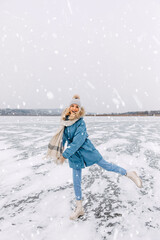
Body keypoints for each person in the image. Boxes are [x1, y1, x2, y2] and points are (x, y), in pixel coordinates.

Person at [46, 95, 142, 220]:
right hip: (74, 155)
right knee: (76, 181)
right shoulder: (65, 121)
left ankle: (129, 173)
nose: (74, 108)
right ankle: (79, 208)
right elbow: (63, 138)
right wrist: (59, 149)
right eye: (72, 106)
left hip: (87, 150)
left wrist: (65, 155)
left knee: (106, 165)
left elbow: (77, 141)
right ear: (69, 107)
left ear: (79, 109)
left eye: (77, 107)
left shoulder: (80, 122)